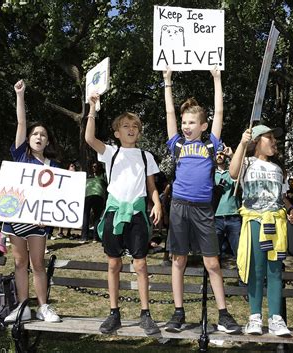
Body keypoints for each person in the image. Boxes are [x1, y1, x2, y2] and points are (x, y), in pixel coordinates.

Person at [162, 67, 241, 334]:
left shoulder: (210, 144)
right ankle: (178, 313)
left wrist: (217, 79)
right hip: (179, 207)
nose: (186, 126)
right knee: (178, 261)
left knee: (213, 263)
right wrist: (167, 81)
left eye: (192, 123)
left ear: (203, 126)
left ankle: (224, 314)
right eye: (184, 123)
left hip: (204, 210)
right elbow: (169, 113)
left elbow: (219, 112)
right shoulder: (177, 144)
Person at [85, 92, 162, 336]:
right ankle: (113, 312)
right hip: (114, 212)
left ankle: (145, 313)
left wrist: (157, 203)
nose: (131, 129)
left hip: (138, 214)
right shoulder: (110, 152)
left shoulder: (145, 156)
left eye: (135, 126)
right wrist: (92, 109)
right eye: (125, 126)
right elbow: (89, 137)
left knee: (140, 264)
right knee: (113, 263)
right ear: (117, 132)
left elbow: (151, 186)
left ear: (139, 132)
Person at [1, 80, 61, 324]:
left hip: (39, 220)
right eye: (35, 133)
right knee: (19, 262)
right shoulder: (20, 155)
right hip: (17, 218)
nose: (39, 136)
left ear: (47, 141)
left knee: (37, 263)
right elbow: (21, 122)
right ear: (28, 138)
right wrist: (20, 95)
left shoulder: (53, 167)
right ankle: (23, 306)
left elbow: (58, 196)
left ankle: (43, 306)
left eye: (43, 135)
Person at [229, 124, 293, 337]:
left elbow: (281, 196)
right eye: (269, 138)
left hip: (276, 224)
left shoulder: (278, 169)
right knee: (256, 270)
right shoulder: (247, 163)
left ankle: (276, 318)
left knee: (275, 270)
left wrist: (291, 207)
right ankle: (254, 317)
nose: (274, 141)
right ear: (256, 141)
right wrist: (242, 143)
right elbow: (232, 172)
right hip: (255, 222)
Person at [214, 144, 242, 262]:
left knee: (240, 253)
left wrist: (232, 155)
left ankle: (243, 280)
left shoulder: (233, 173)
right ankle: (214, 280)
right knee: (214, 255)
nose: (220, 156)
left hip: (233, 216)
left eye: (222, 153)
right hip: (215, 218)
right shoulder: (209, 174)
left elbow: (243, 169)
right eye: (217, 153)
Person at [81, 161, 107, 242]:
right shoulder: (89, 176)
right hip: (89, 195)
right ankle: (85, 237)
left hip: (98, 196)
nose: (93, 168)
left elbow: (107, 188)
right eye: (93, 166)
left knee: (96, 217)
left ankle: (94, 237)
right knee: (86, 216)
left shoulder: (104, 176)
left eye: (95, 166)